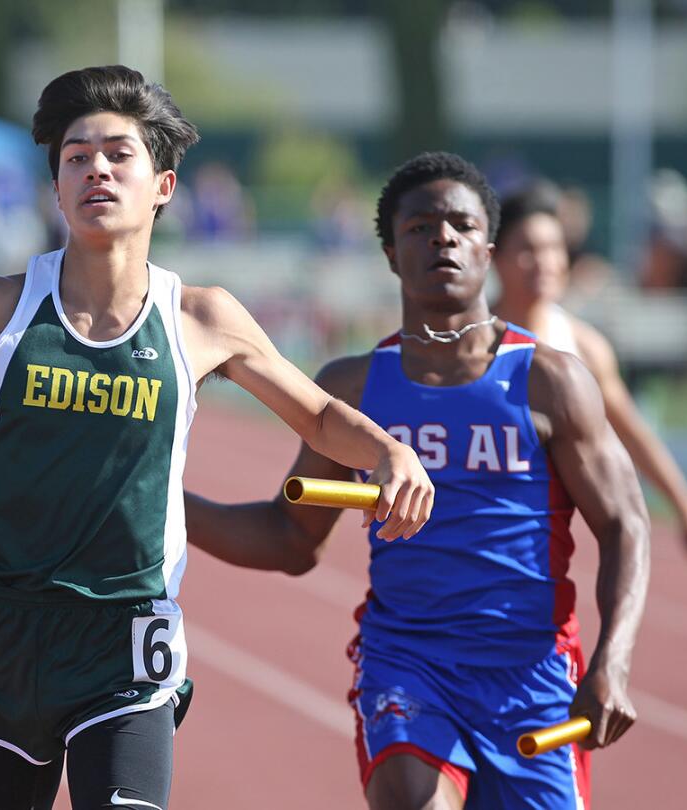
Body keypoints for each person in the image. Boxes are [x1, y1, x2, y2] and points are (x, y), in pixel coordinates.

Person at [0, 65, 435, 810]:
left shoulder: (202, 320)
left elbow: (318, 416)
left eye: (119, 153)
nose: (96, 168)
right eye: (76, 156)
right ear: (55, 188)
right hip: (5, 630)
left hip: (128, 642)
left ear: (163, 184)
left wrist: (392, 452)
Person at [184, 152, 651, 810]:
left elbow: (625, 522)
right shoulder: (351, 389)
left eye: (461, 226)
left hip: (532, 677)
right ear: (389, 252)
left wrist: (614, 658)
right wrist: (165, 506)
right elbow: (291, 538)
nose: (443, 239)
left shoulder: (551, 381)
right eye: (421, 227)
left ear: (489, 249)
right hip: (408, 663)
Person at [490, 180, 687, 559]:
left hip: (541, 539)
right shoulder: (465, 341)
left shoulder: (584, 346)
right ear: (494, 256)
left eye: (553, 248)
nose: (545, 262)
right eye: (528, 249)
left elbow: (632, 432)